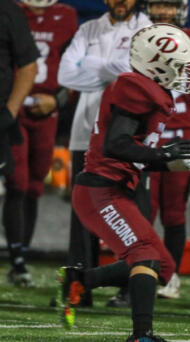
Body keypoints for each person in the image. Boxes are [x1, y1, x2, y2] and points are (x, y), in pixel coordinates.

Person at [58, 23, 190, 342]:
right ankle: (141, 335)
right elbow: (115, 144)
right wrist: (163, 154)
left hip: (116, 188)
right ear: (157, 64)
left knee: (163, 265)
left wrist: (166, 162)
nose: (183, 72)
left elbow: (132, 152)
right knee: (145, 254)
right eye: (177, 65)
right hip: (99, 191)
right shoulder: (135, 87)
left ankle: (81, 279)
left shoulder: (149, 89)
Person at [57, 0, 151, 307]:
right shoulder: (88, 29)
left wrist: (93, 66)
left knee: (130, 213)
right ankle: (79, 287)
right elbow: (65, 75)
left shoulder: (146, 30)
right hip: (85, 135)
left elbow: (139, 75)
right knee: (82, 212)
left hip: (127, 136)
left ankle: (129, 284)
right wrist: (112, 73)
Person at [142, 0, 190, 301]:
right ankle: (142, 270)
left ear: (182, 8)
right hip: (146, 138)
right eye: (158, 4)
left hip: (180, 136)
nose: (163, 11)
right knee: (142, 211)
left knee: (174, 213)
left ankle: (170, 275)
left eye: (169, 5)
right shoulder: (138, 37)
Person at [3, 0, 77, 287]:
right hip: (14, 106)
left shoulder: (67, 17)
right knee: (17, 182)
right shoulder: (10, 10)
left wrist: (57, 99)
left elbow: (75, 66)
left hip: (48, 110)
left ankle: (22, 254)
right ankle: (17, 260)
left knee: (34, 185)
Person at [0, 0, 39, 286]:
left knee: (19, 185)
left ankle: (17, 258)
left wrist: (10, 112)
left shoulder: (8, 10)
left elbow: (28, 66)